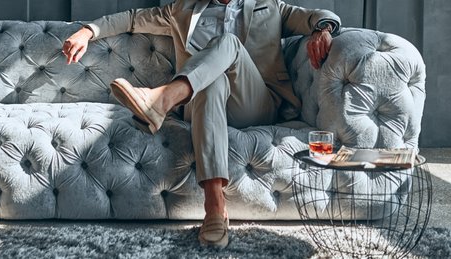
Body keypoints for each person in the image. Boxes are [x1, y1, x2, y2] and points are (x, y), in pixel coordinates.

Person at [62, 0, 339, 249]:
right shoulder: (182, 9)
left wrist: (323, 29)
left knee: (228, 42)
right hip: (202, 103)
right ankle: (215, 207)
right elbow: (133, 18)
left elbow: (316, 15)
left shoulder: (271, 7)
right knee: (210, 80)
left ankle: (162, 99)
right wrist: (88, 31)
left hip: (255, 103)